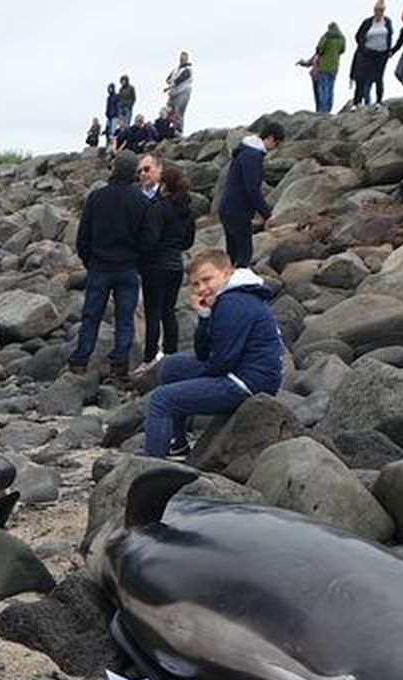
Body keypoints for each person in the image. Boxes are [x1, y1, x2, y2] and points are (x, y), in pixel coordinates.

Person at [142, 249, 283, 460]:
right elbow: (203, 353)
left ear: (226, 273)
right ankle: (176, 446)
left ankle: (148, 466)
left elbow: (224, 360)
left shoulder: (233, 303)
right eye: (196, 284)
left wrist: (194, 383)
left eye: (207, 279)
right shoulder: (230, 297)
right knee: (170, 367)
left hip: (248, 382)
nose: (202, 288)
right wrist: (205, 315)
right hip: (243, 371)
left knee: (162, 400)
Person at [70, 150, 157, 382]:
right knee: (125, 318)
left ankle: (80, 360)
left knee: (91, 316)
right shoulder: (141, 201)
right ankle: (119, 365)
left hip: (99, 267)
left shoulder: (97, 198)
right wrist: (137, 261)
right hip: (128, 268)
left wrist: (89, 261)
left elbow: (83, 237)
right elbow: (149, 239)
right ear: (134, 172)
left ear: (114, 169)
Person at [141, 161, 196, 366]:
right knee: (168, 312)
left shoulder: (159, 208)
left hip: (156, 266)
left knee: (152, 313)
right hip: (176, 266)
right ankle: (172, 356)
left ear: (165, 185)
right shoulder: (188, 210)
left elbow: (150, 240)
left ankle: (149, 358)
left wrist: (143, 257)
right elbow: (188, 241)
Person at [217, 121, 283, 270]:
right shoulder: (252, 157)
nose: (275, 148)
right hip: (237, 211)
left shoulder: (245, 151)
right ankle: (238, 286)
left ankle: (227, 282)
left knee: (232, 252)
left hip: (228, 209)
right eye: (277, 143)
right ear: (270, 138)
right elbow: (252, 189)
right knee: (244, 253)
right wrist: (267, 214)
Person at [352, 2, 397, 106]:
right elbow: (358, 36)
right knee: (362, 77)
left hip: (382, 54)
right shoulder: (368, 22)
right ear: (374, 11)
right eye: (377, 10)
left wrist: (389, 50)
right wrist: (363, 48)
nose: (379, 13)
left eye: (381, 11)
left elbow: (389, 35)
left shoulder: (387, 21)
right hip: (368, 53)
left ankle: (378, 101)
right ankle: (357, 102)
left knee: (379, 77)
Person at [300, 22, 347, 113]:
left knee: (322, 89)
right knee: (330, 89)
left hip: (323, 67)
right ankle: (328, 109)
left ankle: (322, 110)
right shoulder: (342, 39)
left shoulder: (326, 37)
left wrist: (320, 49)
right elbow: (342, 50)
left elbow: (319, 49)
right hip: (334, 68)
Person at [164, 52, 193, 128]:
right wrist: (169, 82)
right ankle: (165, 129)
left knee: (178, 112)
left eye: (183, 59)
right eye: (181, 58)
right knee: (167, 111)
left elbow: (179, 80)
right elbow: (168, 79)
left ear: (187, 59)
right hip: (173, 93)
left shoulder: (188, 69)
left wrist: (169, 87)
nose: (181, 60)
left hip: (183, 93)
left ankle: (178, 130)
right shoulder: (176, 69)